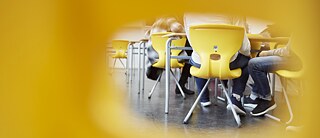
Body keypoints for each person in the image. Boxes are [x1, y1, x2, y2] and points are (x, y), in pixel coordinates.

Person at [184, 13, 251, 115]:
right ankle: (236, 99)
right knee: (247, 61)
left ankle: (204, 98)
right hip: (228, 62)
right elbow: (244, 48)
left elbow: (191, 39)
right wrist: (247, 53)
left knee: (198, 58)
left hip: (201, 62)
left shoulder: (188, 12)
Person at [247, 38, 302, 116]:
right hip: (299, 60)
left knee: (254, 64)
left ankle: (266, 99)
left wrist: (268, 53)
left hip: (295, 61)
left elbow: (288, 52)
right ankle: (256, 96)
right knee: (259, 63)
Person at [145, 17, 195, 95]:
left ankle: (181, 86)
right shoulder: (171, 22)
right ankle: (181, 85)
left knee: (188, 52)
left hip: (155, 60)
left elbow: (147, 36)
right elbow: (183, 31)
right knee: (192, 55)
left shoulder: (155, 24)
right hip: (171, 58)